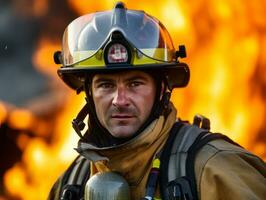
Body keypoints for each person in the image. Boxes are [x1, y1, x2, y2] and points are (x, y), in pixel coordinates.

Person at [49, 2, 266, 200]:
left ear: (161, 89)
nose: (119, 100)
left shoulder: (213, 170)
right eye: (106, 85)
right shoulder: (71, 183)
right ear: (89, 93)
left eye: (135, 83)